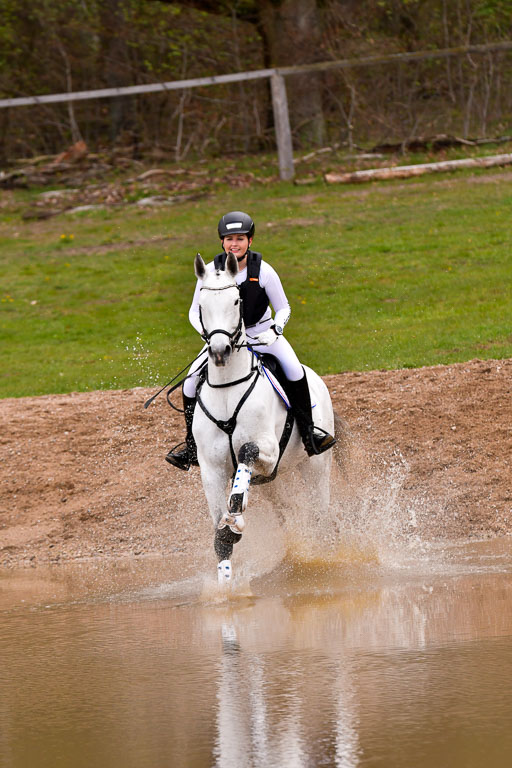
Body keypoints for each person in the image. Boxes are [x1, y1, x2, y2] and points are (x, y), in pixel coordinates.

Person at [166, 210, 336, 470]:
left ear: (250, 241)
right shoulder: (210, 272)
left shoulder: (264, 271)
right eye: (229, 239)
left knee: (294, 371)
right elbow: (193, 311)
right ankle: (191, 445)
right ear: (222, 242)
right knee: (189, 383)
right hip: (224, 339)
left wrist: (276, 330)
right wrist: (206, 333)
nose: (234, 244)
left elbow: (284, 307)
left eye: (240, 239)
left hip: (262, 334)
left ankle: (310, 433)